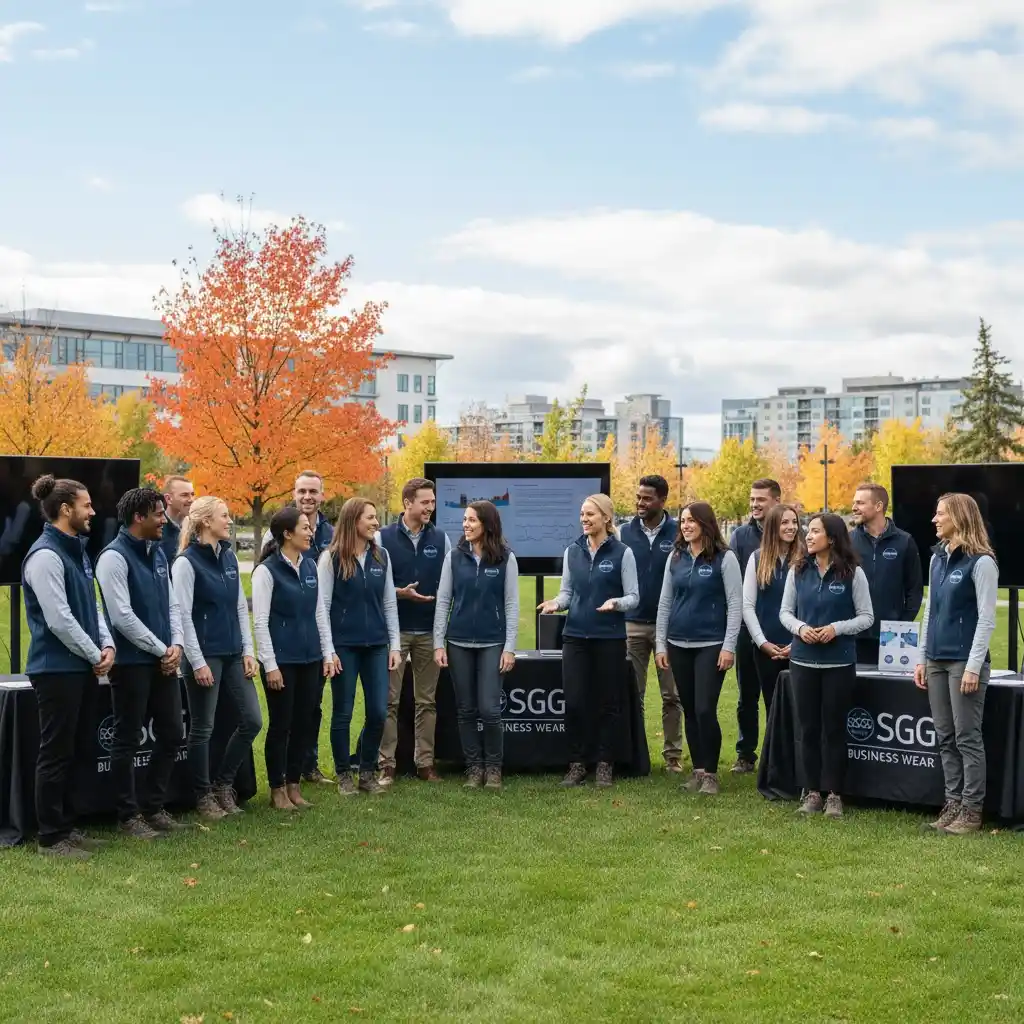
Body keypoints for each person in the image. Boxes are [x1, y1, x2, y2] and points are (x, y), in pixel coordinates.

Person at [21, 475, 115, 860]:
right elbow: (59, 620)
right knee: (56, 752)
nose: (93, 511)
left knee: (76, 749)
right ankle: (50, 837)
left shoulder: (77, 550)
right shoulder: (45, 556)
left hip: (81, 667)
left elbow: (90, 606)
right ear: (66, 509)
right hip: (56, 669)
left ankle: (67, 825)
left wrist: (106, 643)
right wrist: (96, 655)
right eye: (87, 505)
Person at [96, 488, 186, 841]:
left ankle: (153, 806)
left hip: (163, 660)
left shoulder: (160, 553)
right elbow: (121, 617)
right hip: (132, 663)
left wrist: (175, 644)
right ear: (139, 518)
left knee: (171, 733)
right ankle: (127, 814)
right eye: (159, 514)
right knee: (127, 738)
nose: (165, 519)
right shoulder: (113, 558)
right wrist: (162, 649)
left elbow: (172, 605)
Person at [538, 494, 639, 788]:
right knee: (575, 702)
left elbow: (634, 597)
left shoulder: (623, 553)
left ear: (606, 518)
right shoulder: (573, 551)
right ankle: (577, 763)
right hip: (575, 638)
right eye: (582, 514)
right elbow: (567, 593)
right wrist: (556, 604)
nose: (584, 519)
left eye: (590, 514)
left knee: (608, 703)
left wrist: (616, 603)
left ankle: (605, 763)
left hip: (609, 638)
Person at [172, 496, 262, 821]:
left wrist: (248, 650)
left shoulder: (229, 558)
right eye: (224, 515)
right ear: (206, 522)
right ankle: (202, 794)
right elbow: (182, 615)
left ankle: (224, 784)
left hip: (234, 652)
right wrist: (196, 661)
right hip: (205, 655)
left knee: (252, 721)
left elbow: (240, 607)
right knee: (202, 728)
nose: (230, 520)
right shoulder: (186, 562)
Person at [779, 513, 873, 819]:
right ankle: (812, 792)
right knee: (808, 729)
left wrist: (837, 628)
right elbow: (785, 612)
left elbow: (866, 617)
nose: (807, 536)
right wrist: (800, 628)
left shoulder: (852, 573)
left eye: (814, 531)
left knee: (834, 729)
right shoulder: (798, 570)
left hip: (838, 663)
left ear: (831, 538)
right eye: (808, 531)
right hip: (803, 661)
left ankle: (834, 794)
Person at [914, 493, 998, 835]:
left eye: (940, 514)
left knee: (966, 737)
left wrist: (974, 666)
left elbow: (987, 619)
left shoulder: (982, 562)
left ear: (959, 517)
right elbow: (930, 611)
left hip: (964, 661)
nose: (934, 519)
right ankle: (952, 804)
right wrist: (921, 657)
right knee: (945, 736)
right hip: (935, 660)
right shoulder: (936, 560)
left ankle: (972, 811)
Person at [654, 501, 742, 796]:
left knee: (705, 709)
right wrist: (660, 643)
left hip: (712, 644)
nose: (686, 525)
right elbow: (665, 602)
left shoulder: (724, 558)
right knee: (690, 709)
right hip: (678, 643)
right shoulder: (675, 557)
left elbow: (735, 605)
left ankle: (712, 774)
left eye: (692, 520)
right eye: (683, 521)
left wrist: (729, 646)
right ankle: (699, 771)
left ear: (706, 524)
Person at [252, 507, 335, 811]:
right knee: (281, 725)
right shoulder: (266, 571)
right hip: (282, 662)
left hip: (310, 658)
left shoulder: (311, 566)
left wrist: (327, 652)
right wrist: (270, 664)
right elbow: (260, 622)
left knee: (305, 723)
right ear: (287, 534)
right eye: (304, 527)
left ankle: (294, 785)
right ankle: (276, 789)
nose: (310, 531)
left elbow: (319, 613)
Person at [433, 500, 519, 790]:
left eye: (472, 520)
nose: (465, 524)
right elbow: (444, 600)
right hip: (457, 642)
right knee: (466, 709)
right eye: (465, 519)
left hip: (493, 643)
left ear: (488, 524)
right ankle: (474, 768)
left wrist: (510, 647)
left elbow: (512, 605)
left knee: (490, 709)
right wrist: (438, 643)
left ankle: (494, 768)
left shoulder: (506, 558)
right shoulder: (454, 557)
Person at [320, 498, 401, 796]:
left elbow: (389, 603)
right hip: (344, 647)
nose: (376, 523)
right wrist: (328, 650)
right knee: (342, 712)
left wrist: (394, 645)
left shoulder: (382, 557)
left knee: (379, 712)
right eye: (370, 518)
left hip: (377, 646)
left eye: (376, 518)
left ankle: (366, 772)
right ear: (354, 520)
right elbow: (323, 607)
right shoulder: (330, 558)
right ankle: (343, 774)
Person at [376, 478, 451, 785]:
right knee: (389, 701)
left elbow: (447, 589)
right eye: (425, 502)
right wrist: (400, 593)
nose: (430, 508)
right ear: (407, 503)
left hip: (429, 633)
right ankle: (387, 764)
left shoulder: (442, 539)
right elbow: (376, 586)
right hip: (394, 633)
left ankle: (425, 763)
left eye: (432, 502)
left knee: (427, 701)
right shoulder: (382, 539)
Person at [619, 475, 683, 773]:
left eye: (647, 498)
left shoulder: (680, 532)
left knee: (672, 695)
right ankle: (636, 754)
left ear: (662, 500)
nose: (640, 503)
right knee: (634, 694)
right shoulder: (623, 533)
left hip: (668, 628)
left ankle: (673, 756)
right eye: (638, 497)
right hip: (631, 624)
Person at [728, 478, 781, 773]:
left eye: (760, 499)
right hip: (746, 631)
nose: (754, 505)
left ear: (775, 500)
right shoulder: (740, 536)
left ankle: (778, 753)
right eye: (752, 499)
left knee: (779, 695)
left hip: (781, 631)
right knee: (746, 695)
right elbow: (735, 587)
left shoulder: (792, 533)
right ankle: (746, 754)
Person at [742, 503, 805, 718]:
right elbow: (748, 605)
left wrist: (797, 641)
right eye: (785, 522)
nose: (791, 527)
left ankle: (798, 753)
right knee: (773, 709)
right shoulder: (757, 558)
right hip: (766, 647)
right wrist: (762, 642)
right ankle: (775, 753)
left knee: (799, 709)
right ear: (772, 527)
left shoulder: (806, 559)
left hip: (800, 645)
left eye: (794, 522)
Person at [850, 483, 923, 665]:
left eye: (860, 503)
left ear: (878, 506)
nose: (854, 508)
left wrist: (901, 624)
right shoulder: (848, 541)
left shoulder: (904, 541)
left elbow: (914, 589)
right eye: (854, 502)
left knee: (890, 691)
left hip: (892, 637)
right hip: (854, 636)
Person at [160, 476, 194, 564]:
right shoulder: (156, 531)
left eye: (192, 494)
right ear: (168, 499)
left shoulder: (196, 530)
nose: (191, 499)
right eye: (185, 495)